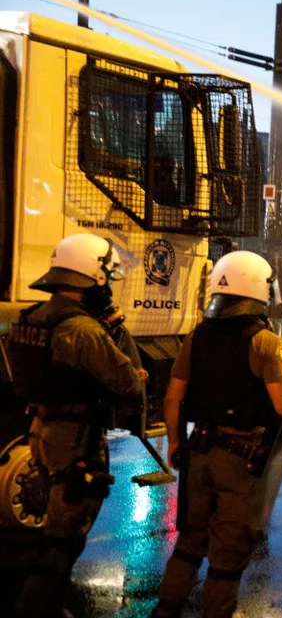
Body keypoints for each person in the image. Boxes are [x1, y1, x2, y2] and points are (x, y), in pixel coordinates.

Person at [8, 234, 143, 618]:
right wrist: (116, 327)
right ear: (92, 276)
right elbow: (128, 381)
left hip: (41, 431)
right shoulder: (83, 330)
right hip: (74, 440)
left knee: (54, 527)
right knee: (62, 540)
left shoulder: (31, 317)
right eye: (107, 276)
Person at [153, 251, 282, 618]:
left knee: (189, 543)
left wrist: (174, 443)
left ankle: (165, 611)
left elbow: (173, 397)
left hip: (198, 451)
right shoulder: (265, 341)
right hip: (239, 459)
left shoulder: (197, 336)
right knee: (226, 559)